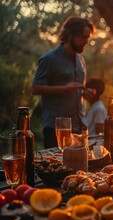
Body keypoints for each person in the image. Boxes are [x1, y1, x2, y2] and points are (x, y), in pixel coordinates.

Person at [32, 16, 95, 149]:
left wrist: (85, 93)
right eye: (83, 37)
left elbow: (76, 90)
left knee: (81, 168)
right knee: (58, 167)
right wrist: (64, 88)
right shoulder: (49, 59)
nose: (86, 41)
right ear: (70, 34)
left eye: (88, 37)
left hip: (79, 126)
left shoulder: (81, 60)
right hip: (56, 128)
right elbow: (35, 88)